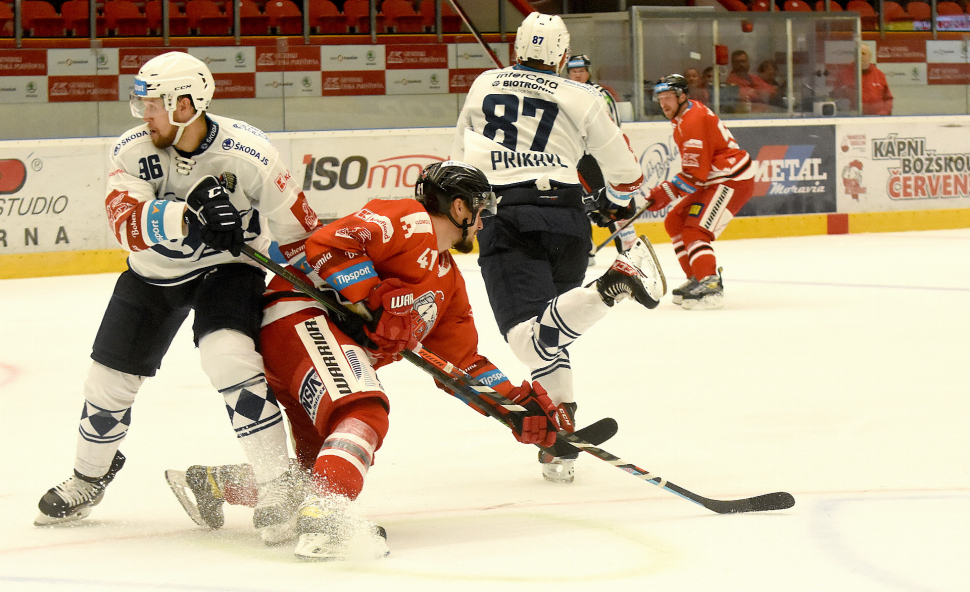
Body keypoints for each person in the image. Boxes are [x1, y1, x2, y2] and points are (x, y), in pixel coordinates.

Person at [164, 161, 574, 560]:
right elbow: (327, 243)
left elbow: (461, 363)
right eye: (481, 209)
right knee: (364, 411)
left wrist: (517, 406)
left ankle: (212, 484)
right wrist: (372, 295)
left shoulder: (448, 280)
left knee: (315, 473)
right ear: (460, 207)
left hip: (323, 352)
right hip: (302, 317)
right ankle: (327, 520)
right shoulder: (408, 219)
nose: (483, 222)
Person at [34, 52, 321, 542]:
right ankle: (89, 475)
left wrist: (333, 285)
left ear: (186, 103)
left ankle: (277, 485)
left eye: (153, 104)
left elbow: (300, 231)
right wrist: (188, 216)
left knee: (229, 359)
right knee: (106, 383)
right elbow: (124, 223)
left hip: (228, 271)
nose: (142, 115)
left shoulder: (250, 154)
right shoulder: (131, 150)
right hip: (152, 274)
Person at [450, 12, 665, 484]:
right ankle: (558, 441)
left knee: (526, 337)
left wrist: (458, 216)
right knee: (551, 333)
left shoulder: (485, 83)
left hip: (508, 215)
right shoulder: (584, 96)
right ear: (563, 57)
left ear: (516, 51)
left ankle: (610, 286)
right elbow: (628, 175)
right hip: (569, 220)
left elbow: (457, 160)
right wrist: (617, 197)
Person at [645, 74, 755, 310]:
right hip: (716, 178)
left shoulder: (692, 120)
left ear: (682, 96)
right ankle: (696, 277)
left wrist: (664, 193)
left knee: (695, 230)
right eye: (660, 98)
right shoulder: (682, 117)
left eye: (668, 97)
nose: (663, 103)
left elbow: (695, 175)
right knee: (676, 221)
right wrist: (667, 192)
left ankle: (710, 284)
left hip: (732, 179)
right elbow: (697, 173)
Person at [563, 53, 638, 264]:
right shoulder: (562, 94)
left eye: (581, 71)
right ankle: (585, 248)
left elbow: (614, 124)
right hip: (577, 157)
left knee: (611, 200)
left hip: (600, 154)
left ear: (588, 72)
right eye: (573, 71)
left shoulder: (601, 93)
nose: (577, 75)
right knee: (578, 201)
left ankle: (627, 248)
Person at [835, 44, 893, 116]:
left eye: (863, 53)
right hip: (854, 119)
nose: (861, 56)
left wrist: (883, 113)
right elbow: (838, 99)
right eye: (858, 53)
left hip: (878, 119)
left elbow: (888, 98)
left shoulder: (879, 74)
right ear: (854, 56)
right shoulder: (843, 75)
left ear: (870, 56)